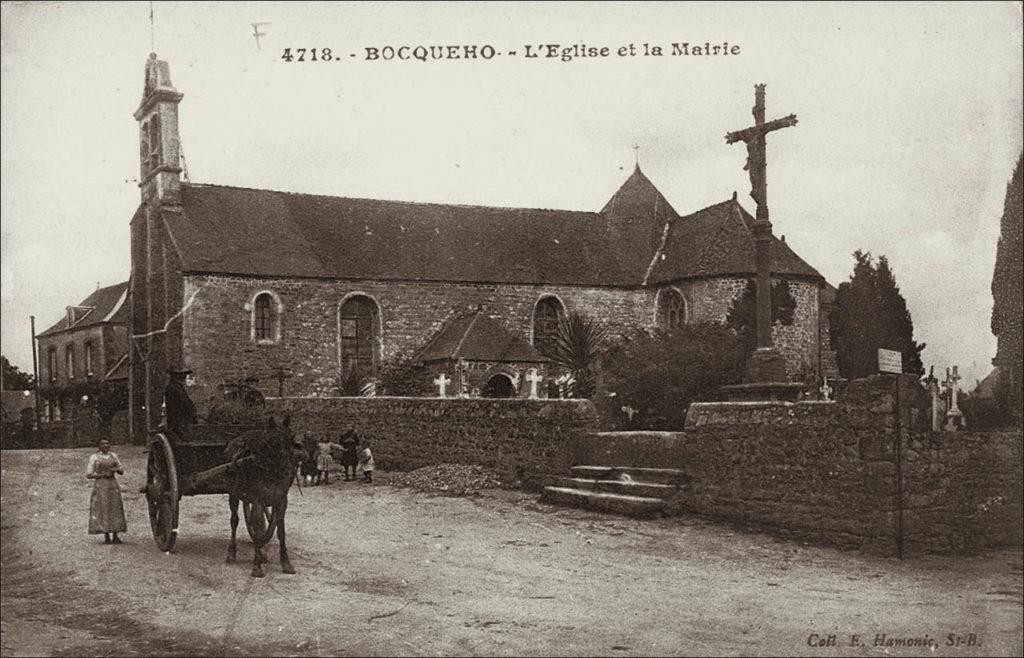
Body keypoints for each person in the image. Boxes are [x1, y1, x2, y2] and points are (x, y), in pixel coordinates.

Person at [86, 439, 127, 544]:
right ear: (98, 446)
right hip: (101, 485)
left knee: (115, 508)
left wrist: (116, 469)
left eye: (107, 443)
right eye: (103, 444)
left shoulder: (113, 456)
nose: (105, 445)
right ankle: (106, 535)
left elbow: (121, 470)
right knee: (103, 508)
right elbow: (89, 474)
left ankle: (115, 535)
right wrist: (102, 475)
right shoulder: (94, 457)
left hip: (113, 484)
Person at [164, 366, 198, 431]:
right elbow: (182, 405)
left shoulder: (177, 387)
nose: (185, 376)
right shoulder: (173, 387)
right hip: (179, 424)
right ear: (176, 375)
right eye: (182, 374)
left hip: (181, 423)